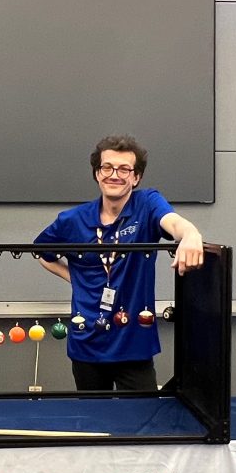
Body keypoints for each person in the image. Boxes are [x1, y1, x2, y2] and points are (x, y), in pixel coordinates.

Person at [34, 134, 204, 392]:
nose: (115, 174)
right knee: (95, 422)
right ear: (97, 174)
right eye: (107, 167)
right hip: (87, 342)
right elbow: (42, 253)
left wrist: (191, 234)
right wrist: (76, 279)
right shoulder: (72, 220)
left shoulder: (147, 204)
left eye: (125, 169)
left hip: (134, 342)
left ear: (136, 177)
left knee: (141, 423)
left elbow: (174, 222)